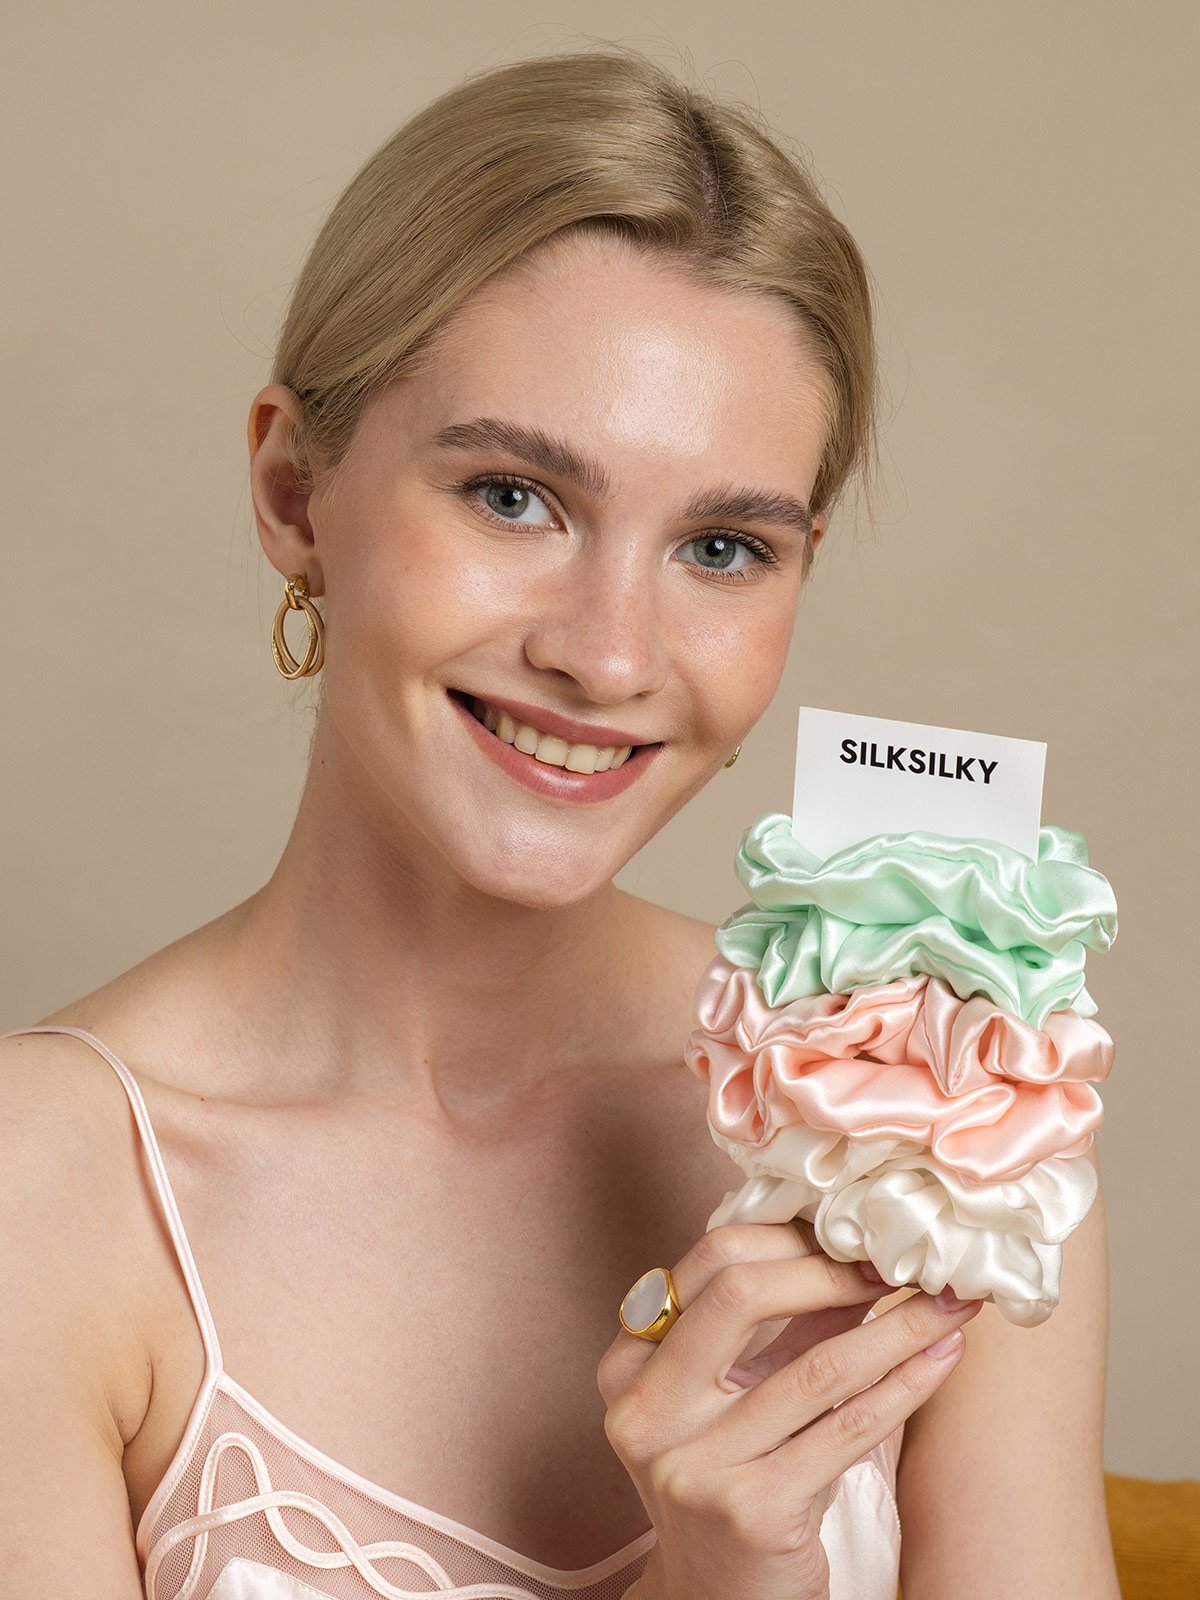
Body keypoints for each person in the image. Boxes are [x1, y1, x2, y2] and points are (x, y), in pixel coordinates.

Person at [0, 44, 1118, 1600]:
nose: (607, 656)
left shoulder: (937, 1123)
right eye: (514, 497)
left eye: (721, 549)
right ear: (293, 490)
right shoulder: (41, 1201)